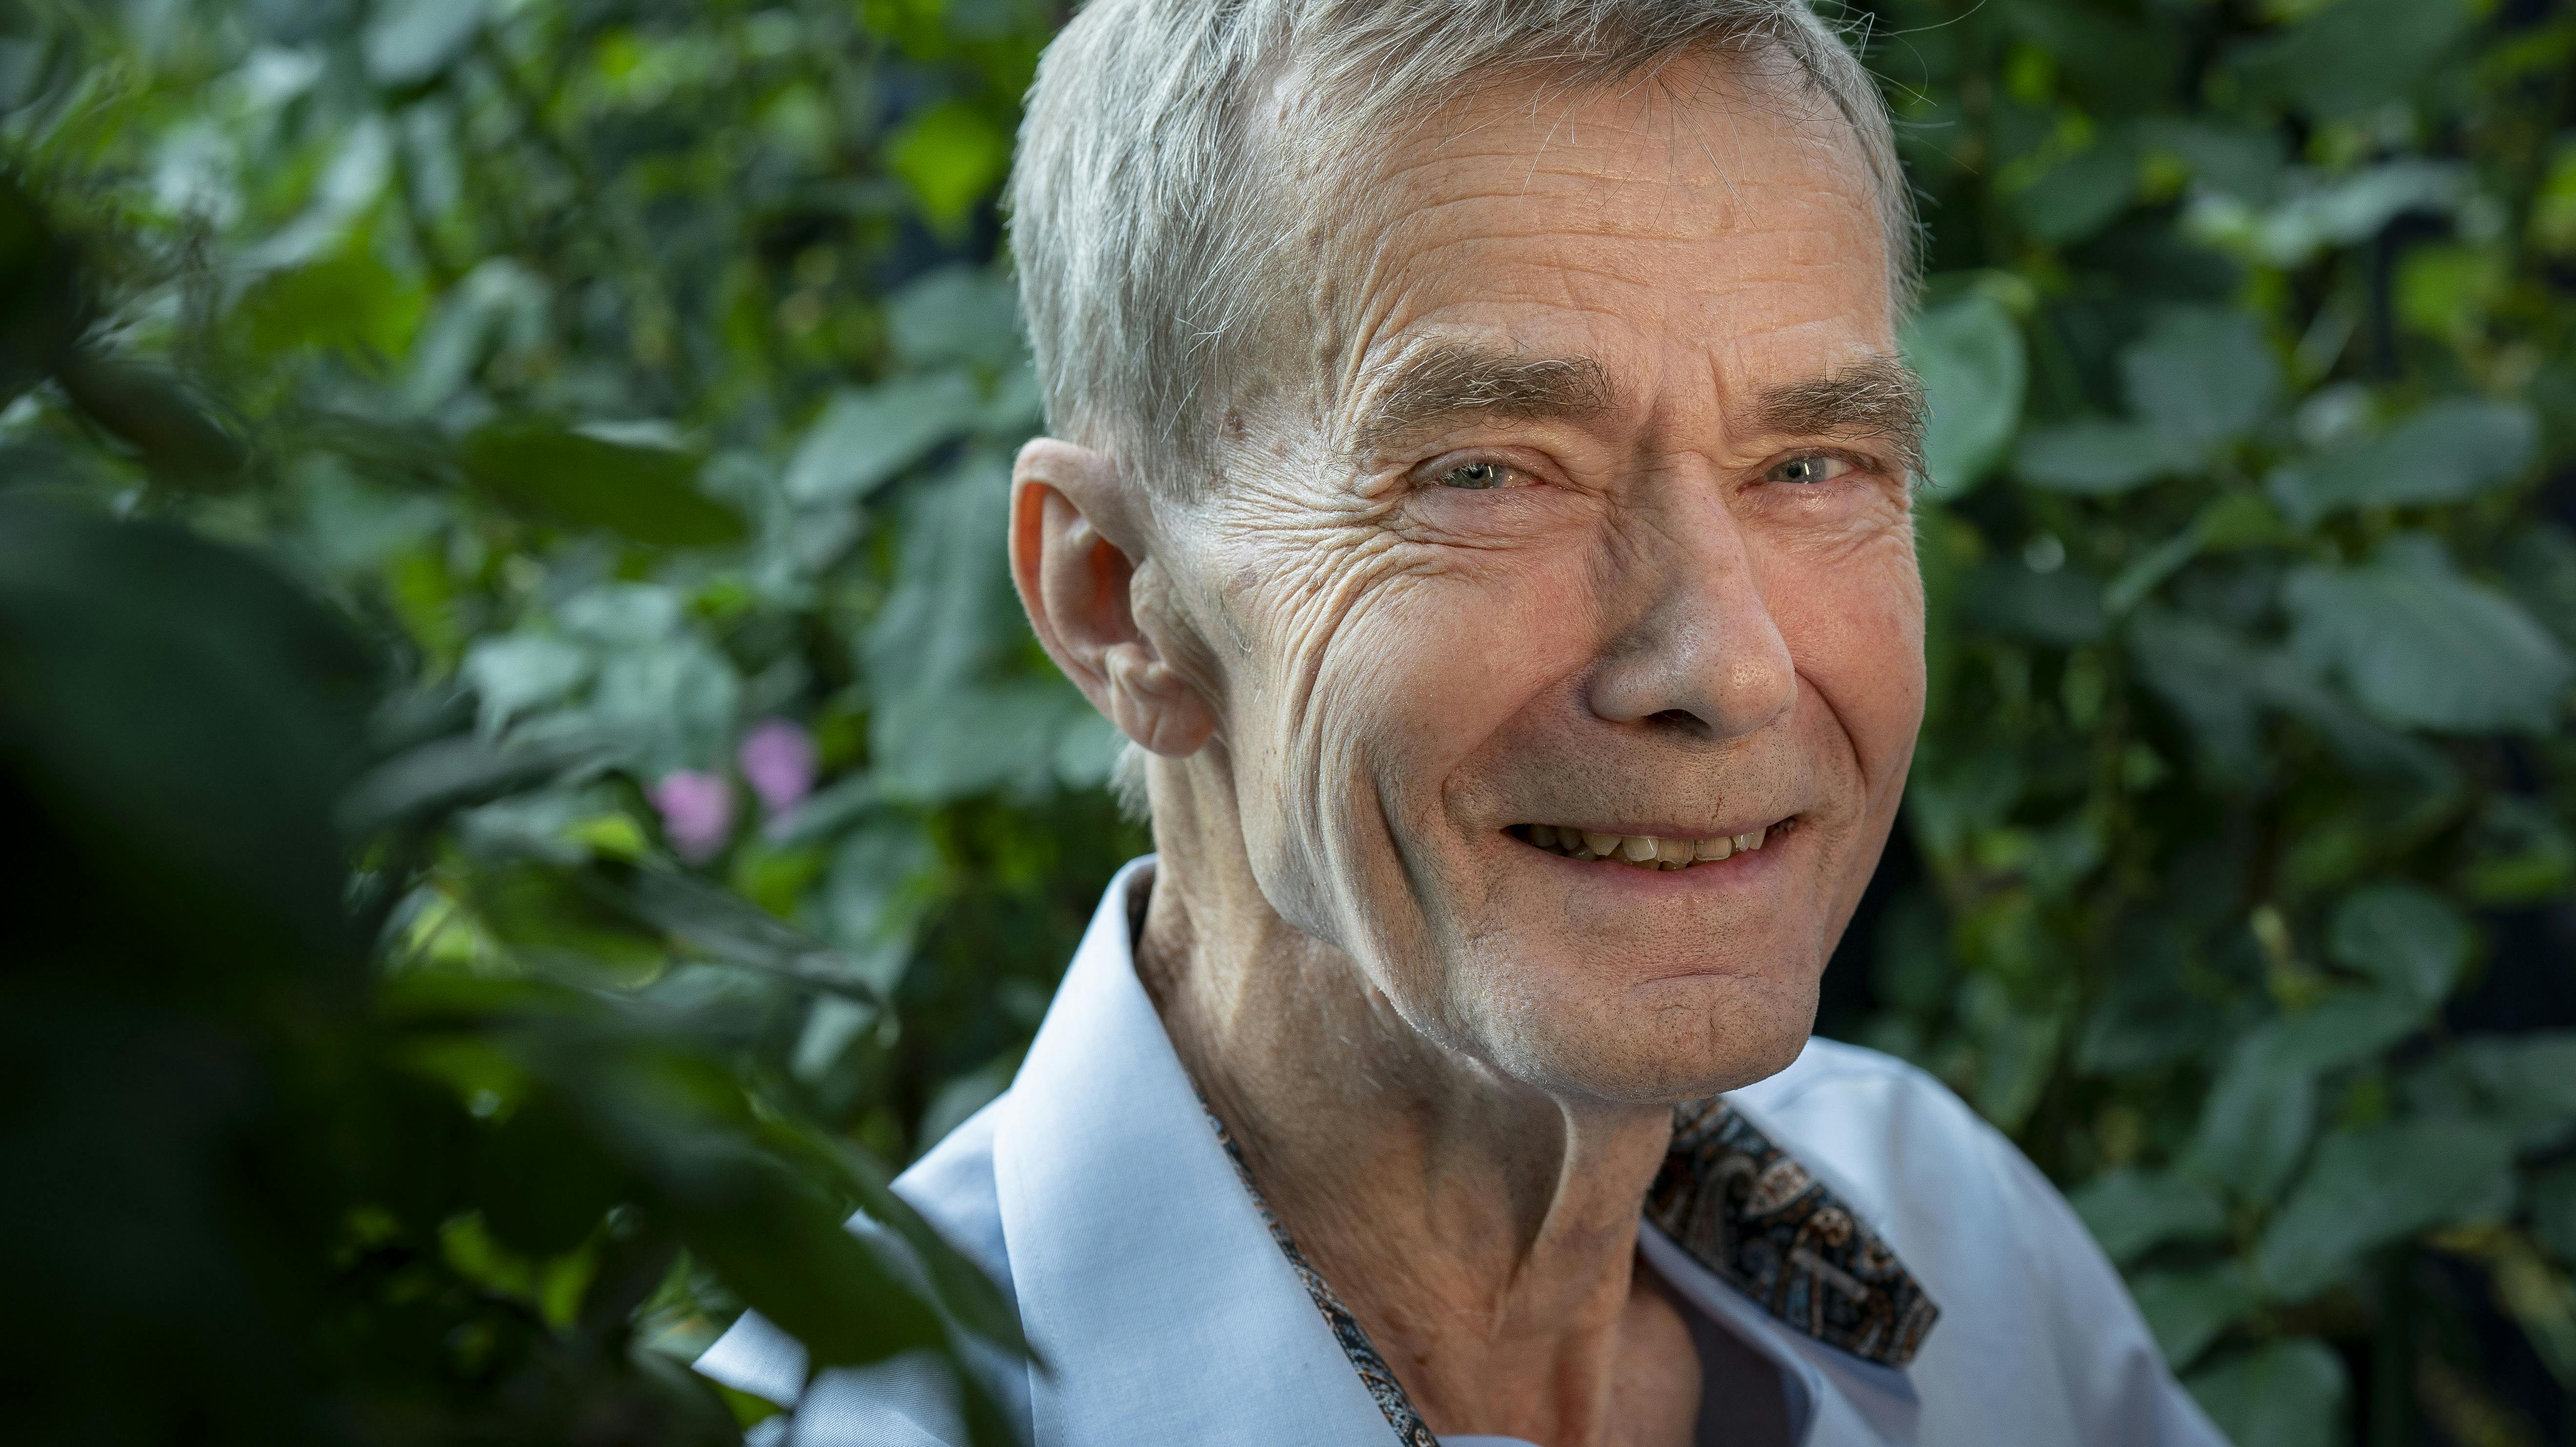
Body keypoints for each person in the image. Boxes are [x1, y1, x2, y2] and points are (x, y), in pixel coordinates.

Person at [700, 2, 2225, 1443]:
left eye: (1813, 464)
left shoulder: (1956, 1229)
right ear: (1119, 600)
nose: (1730, 666)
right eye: (1486, 472)